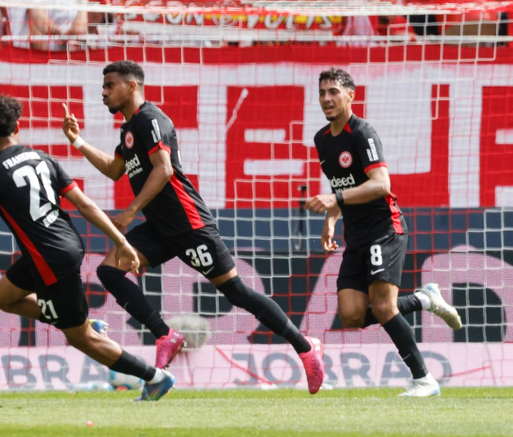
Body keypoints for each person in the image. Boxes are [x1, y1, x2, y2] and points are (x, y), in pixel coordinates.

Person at [61, 61, 325, 393]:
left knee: (237, 293)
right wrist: (77, 141)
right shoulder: (129, 128)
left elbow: (164, 170)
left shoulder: (150, 118)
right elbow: (115, 169)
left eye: (110, 85)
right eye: (104, 87)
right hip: (159, 228)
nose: (104, 93)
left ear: (131, 86)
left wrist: (129, 212)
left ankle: (305, 346)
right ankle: (165, 334)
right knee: (109, 271)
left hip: (188, 224)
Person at [0, 95, 176, 401]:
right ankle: (81, 320)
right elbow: (85, 205)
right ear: (18, 126)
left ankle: (155, 377)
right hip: (60, 246)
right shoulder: (42, 158)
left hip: (48, 258)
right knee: (3, 297)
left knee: (80, 339)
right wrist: (120, 240)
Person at [306, 68, 462, 398]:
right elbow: (343, 185)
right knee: (351, 315)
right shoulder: (322, 139)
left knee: (383, 306)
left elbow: (380, 185)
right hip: (355, 236)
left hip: (384, 229)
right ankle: (424, 299)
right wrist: (331, 219)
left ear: (351, 95)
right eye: (322, 93)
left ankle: (424, 380)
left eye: (333, 92)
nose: (326, 99)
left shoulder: (363, 133)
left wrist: (334, 201)